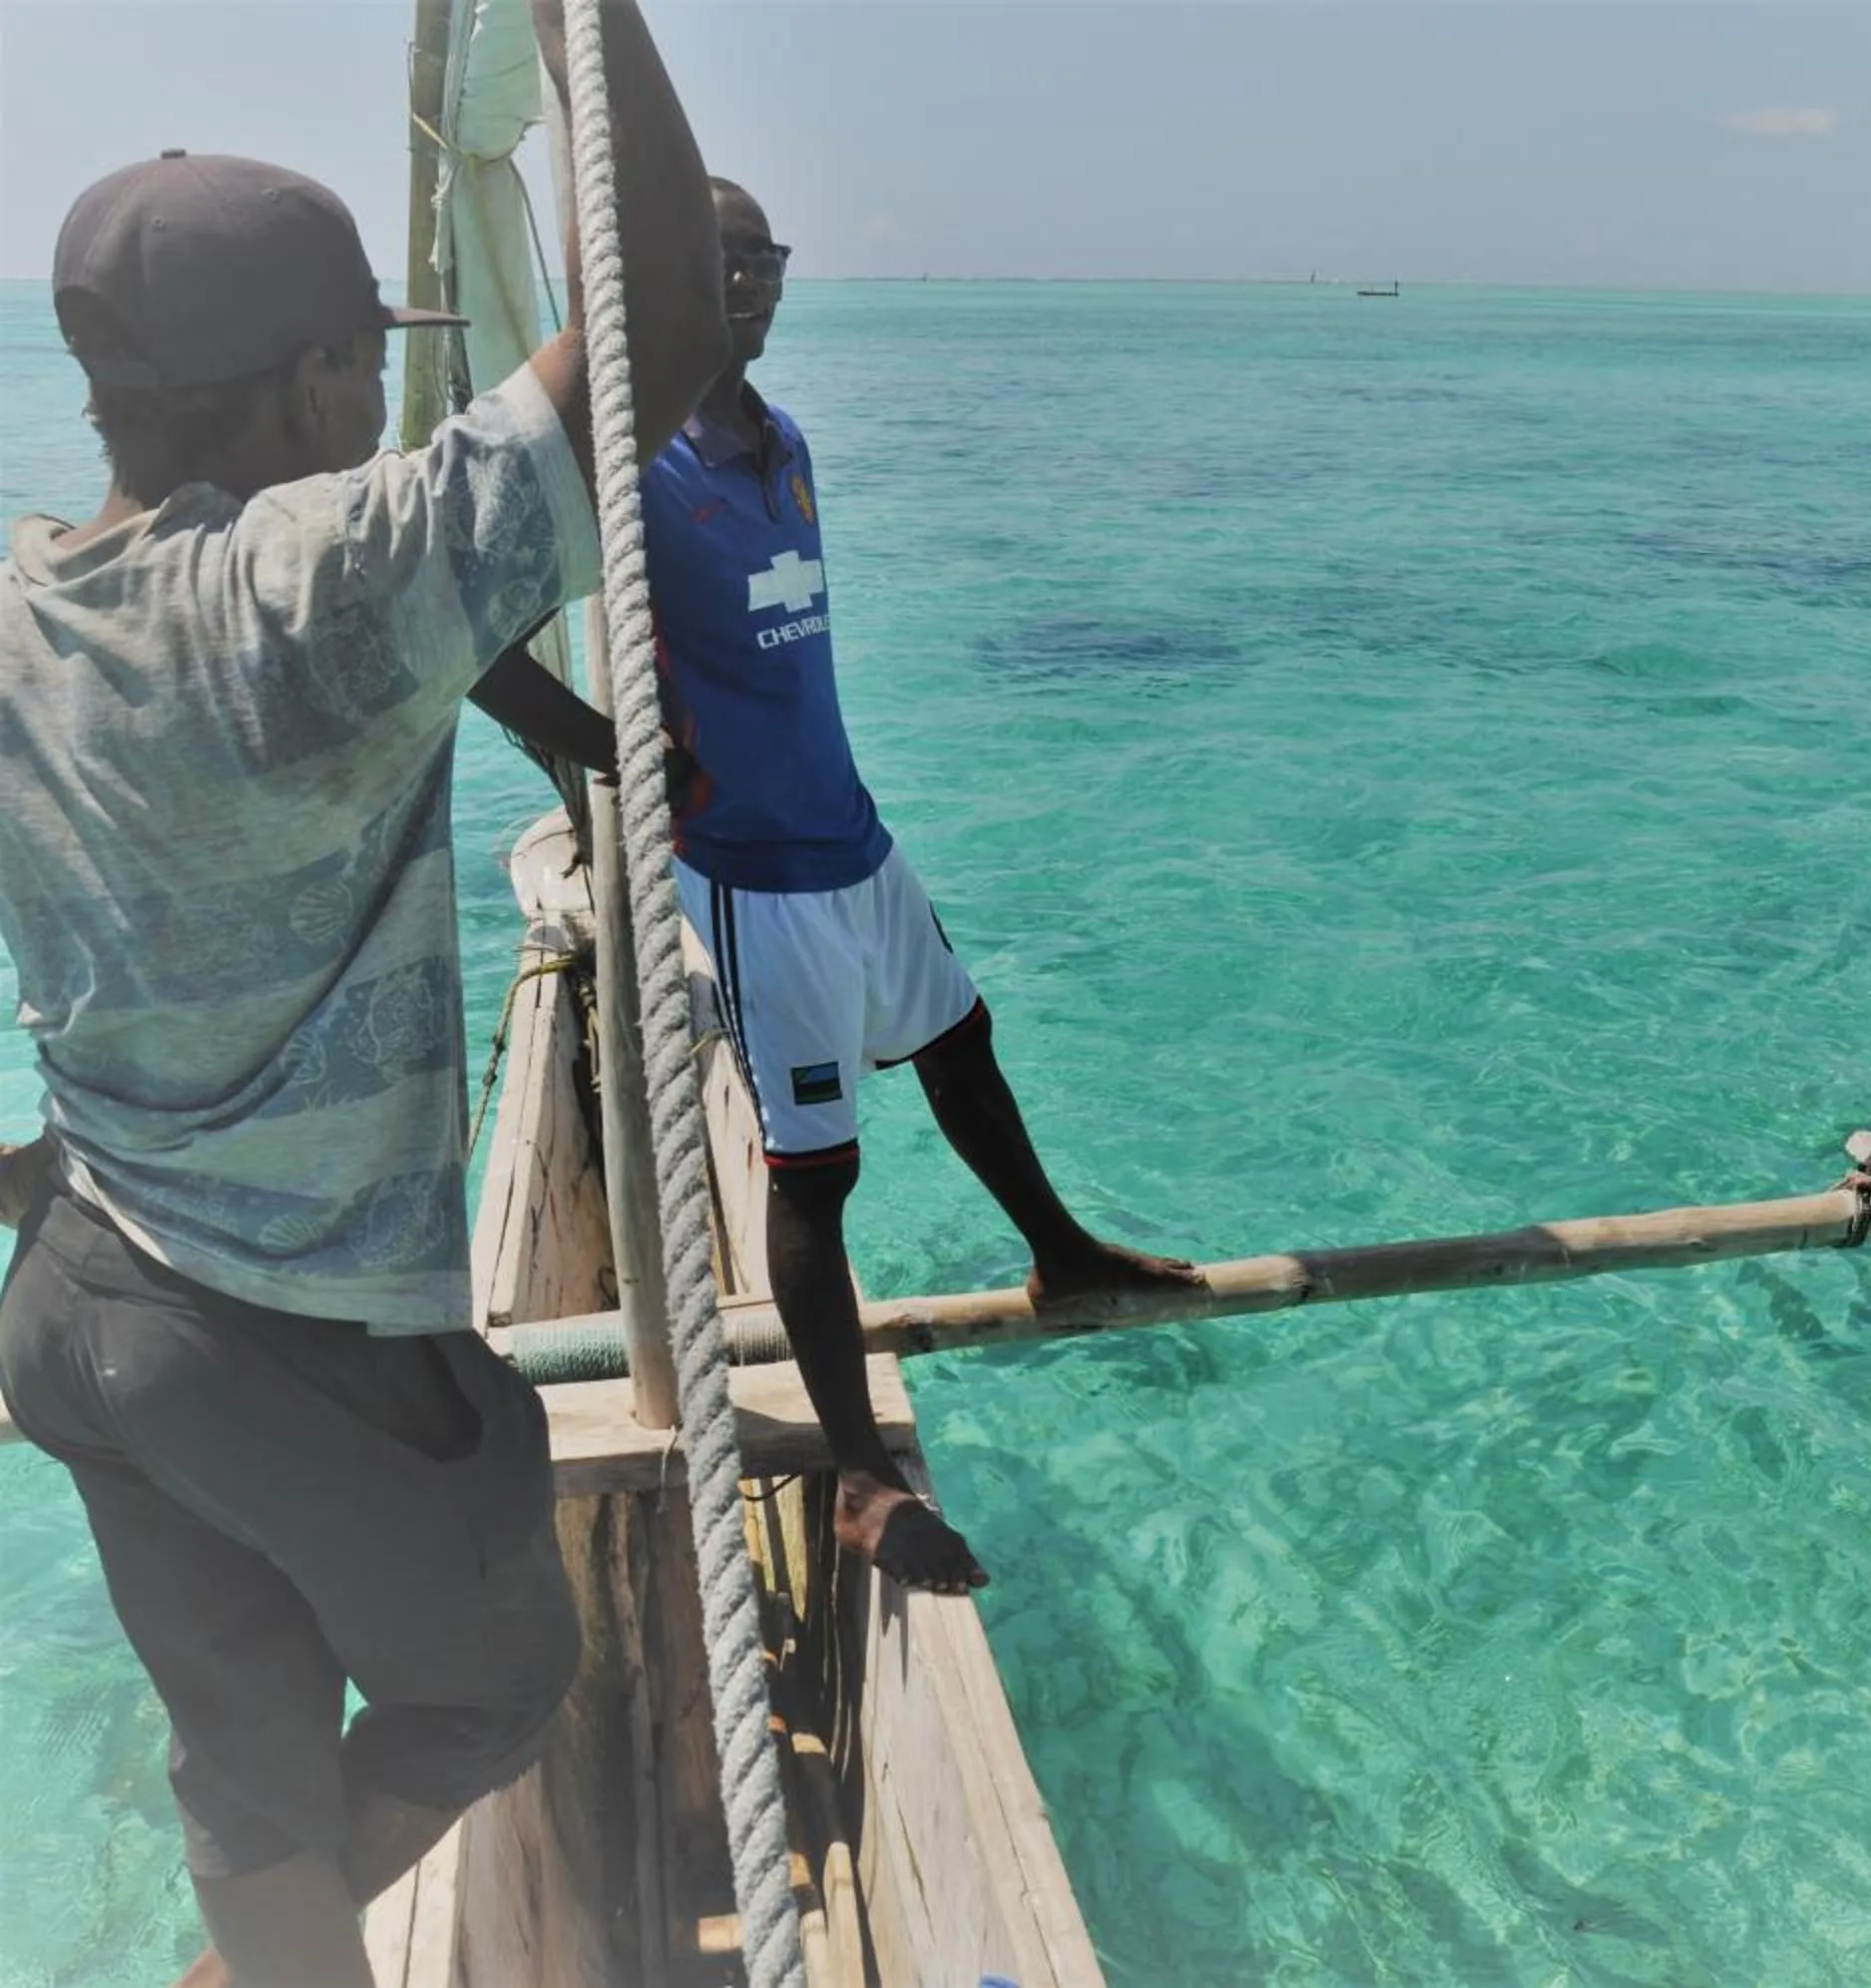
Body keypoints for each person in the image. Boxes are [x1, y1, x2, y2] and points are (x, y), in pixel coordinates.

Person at [0, 3, 727, 1981]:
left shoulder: (18, 605)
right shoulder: (330, 580)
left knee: (239, 1770)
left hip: (68, 1310)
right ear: (317, 375)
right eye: (361, 366)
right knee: (490, 1684)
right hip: (289, 1334)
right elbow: (668, 309)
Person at [634, 177, 1205, 1597]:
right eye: (719, 260)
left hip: (851, 832)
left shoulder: (787, 443)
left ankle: (1060, 1251)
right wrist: (616, 760)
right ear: (656, 272)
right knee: (815, 1173)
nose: (752, 281)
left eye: (766, 256)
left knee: (962, 1040)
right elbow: (488, 640)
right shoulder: (632, 467)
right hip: (751, 878)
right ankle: (857, 1477)